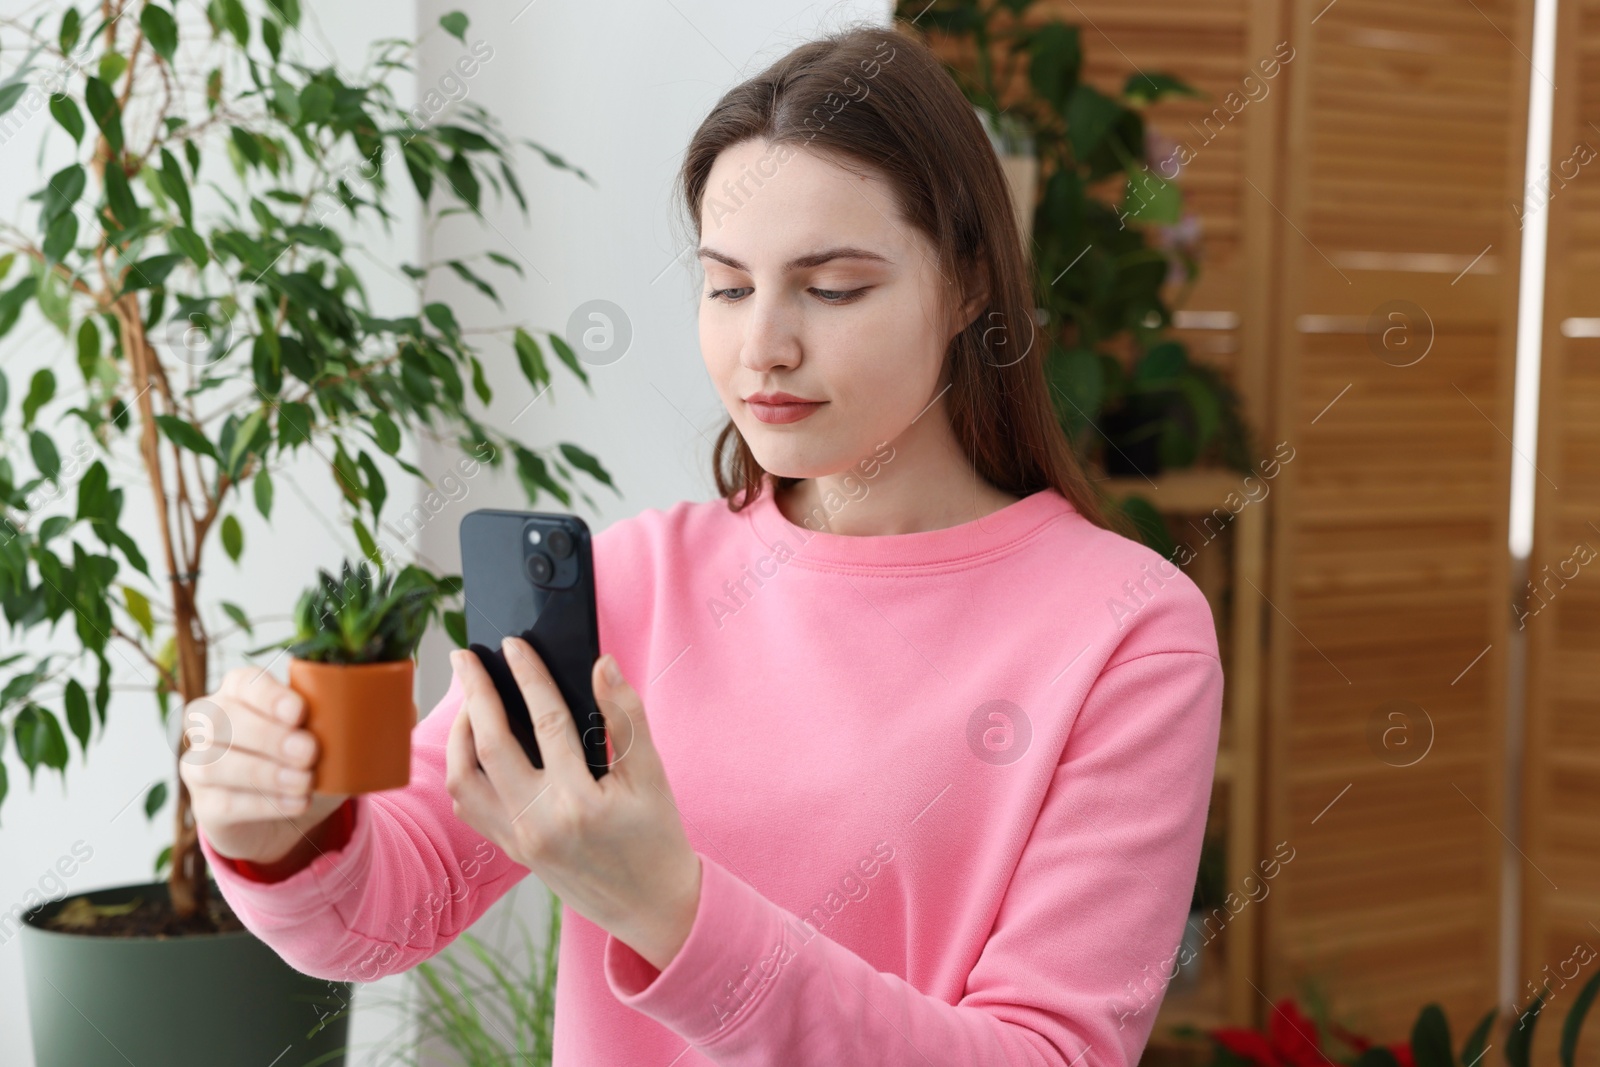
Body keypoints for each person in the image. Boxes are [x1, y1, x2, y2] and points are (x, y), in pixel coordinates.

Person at [184, 21, 1224, 1067]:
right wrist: (278, 829)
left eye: (833, 288)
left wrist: (671, 910)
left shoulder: (1127, 634)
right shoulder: (632, 585)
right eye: (728, 286)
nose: (762, 344)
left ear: (968, 286)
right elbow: (390, 907)